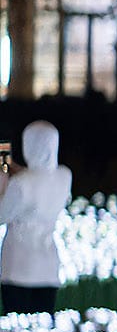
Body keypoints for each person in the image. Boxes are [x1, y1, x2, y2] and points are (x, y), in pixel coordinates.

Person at [0, 121, 72, 315]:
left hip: (18, 268)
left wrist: (3, 179)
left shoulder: (22, 183)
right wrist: (12, 168)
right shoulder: (64, 176)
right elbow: (40, 179)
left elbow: (2, 214)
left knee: (18, 331)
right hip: (48, 267)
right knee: (43, 330)